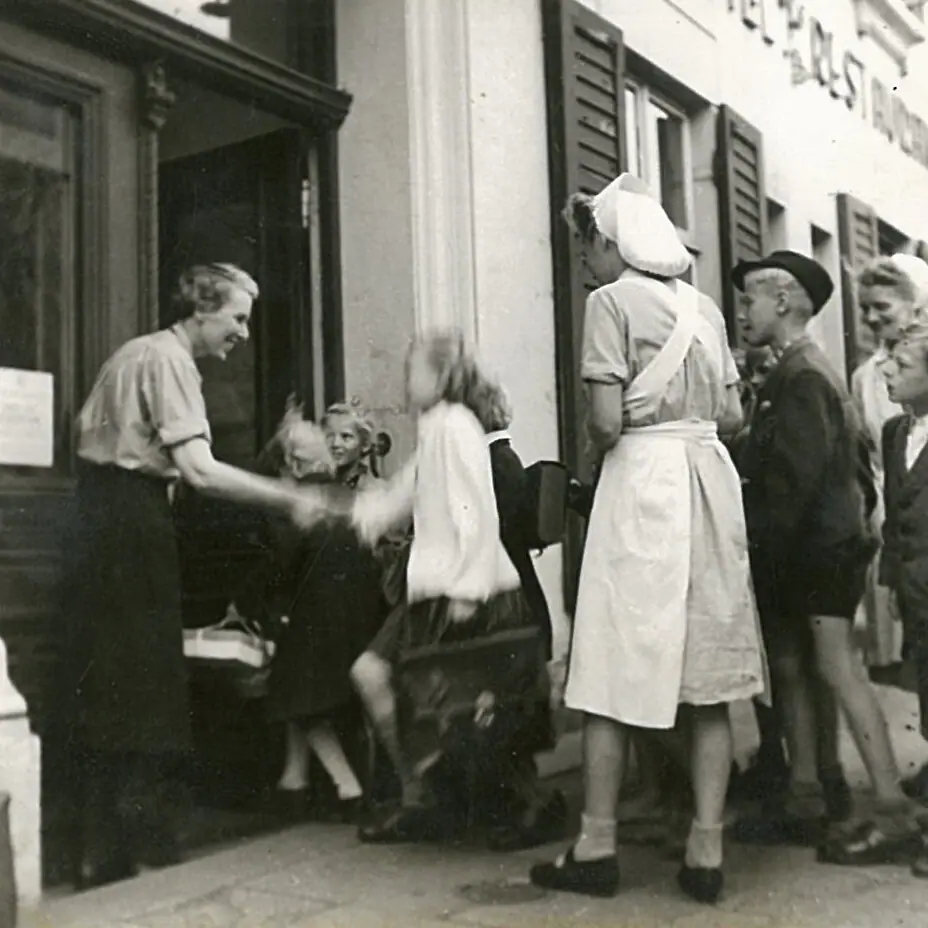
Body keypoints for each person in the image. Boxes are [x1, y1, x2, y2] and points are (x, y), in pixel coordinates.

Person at [529, 173, 767, 905]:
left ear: (611, 242)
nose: (587, 264)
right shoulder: (705, 309)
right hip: (708, 484)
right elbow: (733, 417)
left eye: (588, 248)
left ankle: (597, 846)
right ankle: (706, 851)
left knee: (611, 667)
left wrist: (601, 452)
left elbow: (606, 422)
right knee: (707, 677)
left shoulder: (609, 303)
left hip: (643, 487)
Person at [60, 263, 320, 890]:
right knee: (144, 678)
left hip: (97, 521)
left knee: (109, 675)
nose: (244, 334)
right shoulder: (171, 362)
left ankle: (102, 847)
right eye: (237, 318)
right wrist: (286, 496)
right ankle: (132, 840)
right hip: (133, 524)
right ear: (202, 309)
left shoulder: (131, 355)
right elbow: (199, 470)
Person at [297, 331, 541, 844]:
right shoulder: (436, 428)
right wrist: (336, 512)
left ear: (442, 375)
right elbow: (396, 500)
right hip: (435, 591)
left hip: (467, 591)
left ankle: (493, 803)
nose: (406, 379)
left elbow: (476, 512)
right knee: (394, 683)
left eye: (414, 370)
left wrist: (468, 593)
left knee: (464, 706)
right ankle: (424, 795)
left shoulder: (455, 425)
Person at [732, 250, 920, 866]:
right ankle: (808, 794)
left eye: (751, 300)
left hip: (819, 551)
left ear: (783, 302)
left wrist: (759, 544)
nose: (743, 312)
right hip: (811, 548)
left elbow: (798, 479)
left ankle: (890, 808)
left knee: (837, 669)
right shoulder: (795, 368)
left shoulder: (804, 374)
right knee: (792, 667)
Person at [239, 400, 391, 823]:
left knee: (292, 683)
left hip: (333, 624)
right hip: (353, 618)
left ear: (292, 465)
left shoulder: (309, 498)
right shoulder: (340, 492)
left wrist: (248, 601)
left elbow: (283, 564)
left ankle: (347, 787)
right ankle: (294, 782)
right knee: (298, 670)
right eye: (331, 437)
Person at [479, 382, 568, 852]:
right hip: (522, 597)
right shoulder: (502, 460)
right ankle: (527, 803)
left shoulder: (495, 465)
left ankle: (536, 805)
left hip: (512, 605)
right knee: (510, 709)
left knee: (510, 709)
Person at [853, 255, 928, 682]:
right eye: (864, 308)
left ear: (914, 304)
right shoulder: (866, 376)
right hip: (894, 505)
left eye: (882, 306)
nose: (870, 317)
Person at [881, 319, 928, 836]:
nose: (888, 372)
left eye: (903, 365)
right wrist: (892, 577)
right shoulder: (895, 433)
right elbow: (894, 514)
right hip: (915, 584)